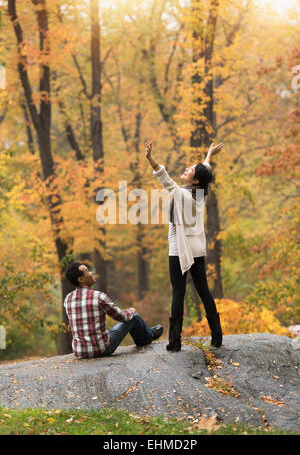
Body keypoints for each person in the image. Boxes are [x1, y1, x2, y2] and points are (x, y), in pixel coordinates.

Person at [145, 139, 223, 352]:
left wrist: (151, 159)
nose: (187, 169)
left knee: (178, 293)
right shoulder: (200, 193)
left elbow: (165, 179)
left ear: (195, 180)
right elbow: (204, 171)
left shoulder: (183, 195)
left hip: (180, 249)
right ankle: (217, 336)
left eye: (190, 171)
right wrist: (209, 155)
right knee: (204, 291)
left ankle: (174, 342)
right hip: (197, 248)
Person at [64, 262, 163, 358]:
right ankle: (149, 336)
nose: (91, 272)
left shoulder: (68, 299)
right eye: (88, 271)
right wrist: (131, 310)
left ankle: (148, 332)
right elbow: (122, 317)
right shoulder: (98, 296)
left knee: (110, 330)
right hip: (102, 349)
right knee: (134, 317)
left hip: (80, 351)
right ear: (81, 279)